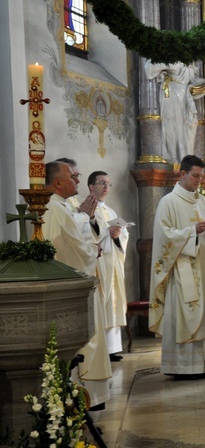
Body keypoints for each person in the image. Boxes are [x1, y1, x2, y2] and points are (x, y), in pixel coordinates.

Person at [148, 155, 205, 378]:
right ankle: (184, 367)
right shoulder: (168, 202)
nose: (199, 180)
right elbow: (164, 237)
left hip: (204, 266)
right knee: (186, 313)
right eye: (195, 176)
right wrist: (192, 231)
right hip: (183, 269)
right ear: (182, 174)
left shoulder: (202, 201)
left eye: (201, 176)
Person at [43, 161, 111, 409]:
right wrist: (93, 244)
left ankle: (90, 394)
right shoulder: (56, 209)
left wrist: (85, 218)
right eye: (73, 176)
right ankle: (87, 396)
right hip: (73, 289)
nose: (78, 181)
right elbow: (75, 251)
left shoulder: (60, 207)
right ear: (58, 182)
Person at [88, 171, 129, 362]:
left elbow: (123, 236)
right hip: (99, 264)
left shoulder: (111, 212)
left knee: (113, 303)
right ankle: (101, 347)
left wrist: (118, 234)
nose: (106, 187)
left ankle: (112, 348)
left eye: (108, 184)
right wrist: (106, 232)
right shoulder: (87, 210)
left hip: (113, 264)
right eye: (102, 183)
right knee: (102, 303)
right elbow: (87, 234)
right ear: (91, 187)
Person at [145, 61, 205, 162]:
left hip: (185, 95)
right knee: (171, 124)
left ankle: (186, 157)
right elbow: (149, 69)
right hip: (171, 93)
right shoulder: (170, 58)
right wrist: (168, 62)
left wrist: (203, 86)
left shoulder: (189, 63)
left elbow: (193, 80)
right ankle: (173, 157)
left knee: (191, 124)